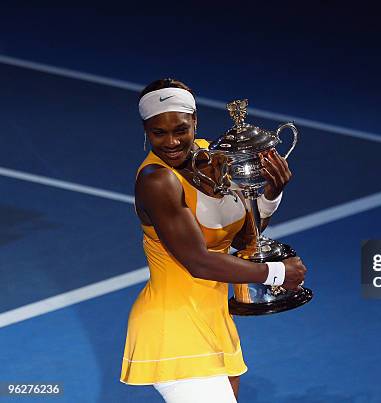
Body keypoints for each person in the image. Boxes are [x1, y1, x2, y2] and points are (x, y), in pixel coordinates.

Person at [120, 78, 307, 402]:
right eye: (158, 132)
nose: (171, 141)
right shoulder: (157, 180)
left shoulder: (213, 156)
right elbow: (198, 261)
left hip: (213, 320)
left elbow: (246, 235)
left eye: (180, 129)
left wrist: (271, 193)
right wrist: (276, 273)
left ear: (195, 121)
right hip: (173, 327)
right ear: (145, 129)